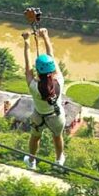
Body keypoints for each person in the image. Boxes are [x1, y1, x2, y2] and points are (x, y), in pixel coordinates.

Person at [21, 27, 68, 170]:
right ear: (52, 68)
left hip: (38, 116)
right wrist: (45, 37)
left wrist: (27, 41)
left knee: (35, 137)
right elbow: (51, 55)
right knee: (57, 136)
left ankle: (32, 160)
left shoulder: (34, 86)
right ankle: (59, 160)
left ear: (38, 70)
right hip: (56, 116)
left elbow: (28, 65)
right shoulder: (59, 80)